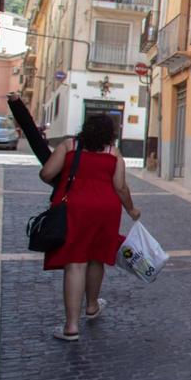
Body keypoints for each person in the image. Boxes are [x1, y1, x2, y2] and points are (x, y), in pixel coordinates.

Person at [39, 114, 141, 341]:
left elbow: (46, 173)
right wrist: (132, 210)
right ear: (110, 133)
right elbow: (121, 187)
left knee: (75, 264)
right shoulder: (113, 154)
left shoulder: (69, 146)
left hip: (74, 209)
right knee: (96, 258)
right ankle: (92, 306)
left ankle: (71, 327)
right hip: (105, 211)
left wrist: (64, 182)